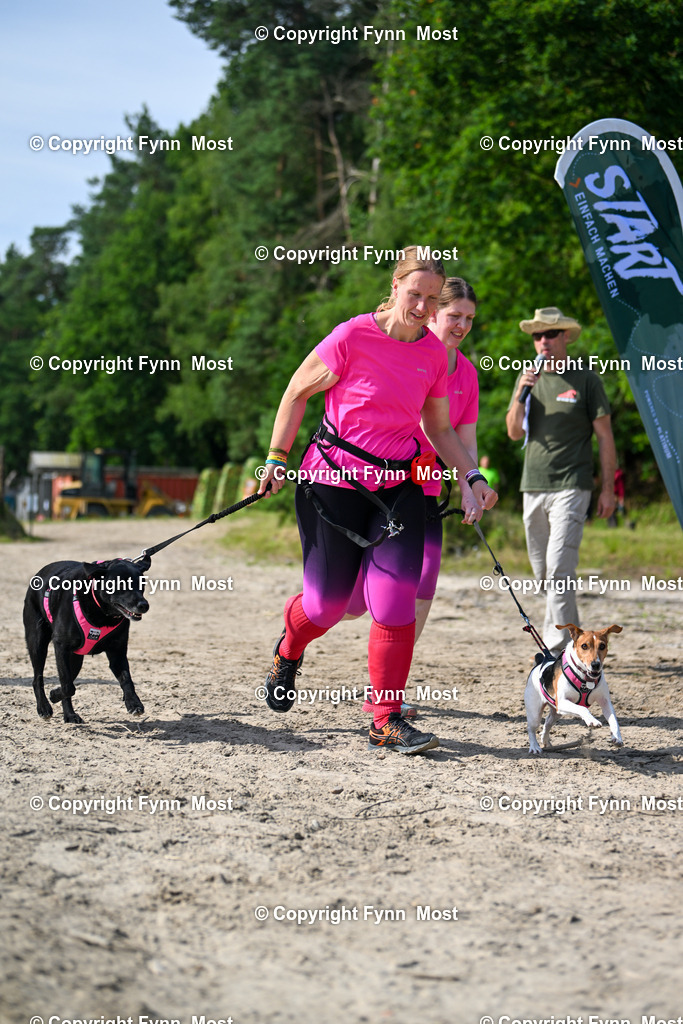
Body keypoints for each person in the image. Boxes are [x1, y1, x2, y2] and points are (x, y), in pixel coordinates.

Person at [258, 249, 497, 755]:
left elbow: (437, 426)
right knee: (326, 606)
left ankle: (385, 718)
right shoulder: (351, 337)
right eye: (417, 295)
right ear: (395, 287)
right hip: (332, 486)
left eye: (433, 299)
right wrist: (277, 457)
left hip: (398, 491)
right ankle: (289, 647)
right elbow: (296, 392)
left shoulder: (432, 355)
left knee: (393, 601)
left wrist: (470, 473)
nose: (424, 308)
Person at [505, 306, 616, 656]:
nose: (543, 341)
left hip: (573, 483)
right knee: (545, 573)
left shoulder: (586, 380)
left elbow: (606, 436)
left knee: (558, 568)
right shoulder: (527, 379)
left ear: (565, 336)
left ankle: (561, 649)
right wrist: (522, 392)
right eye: (537, 335)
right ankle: (579, 638)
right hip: (533, 484)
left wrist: (609, 489)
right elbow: (511, 432)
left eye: (550, 334)